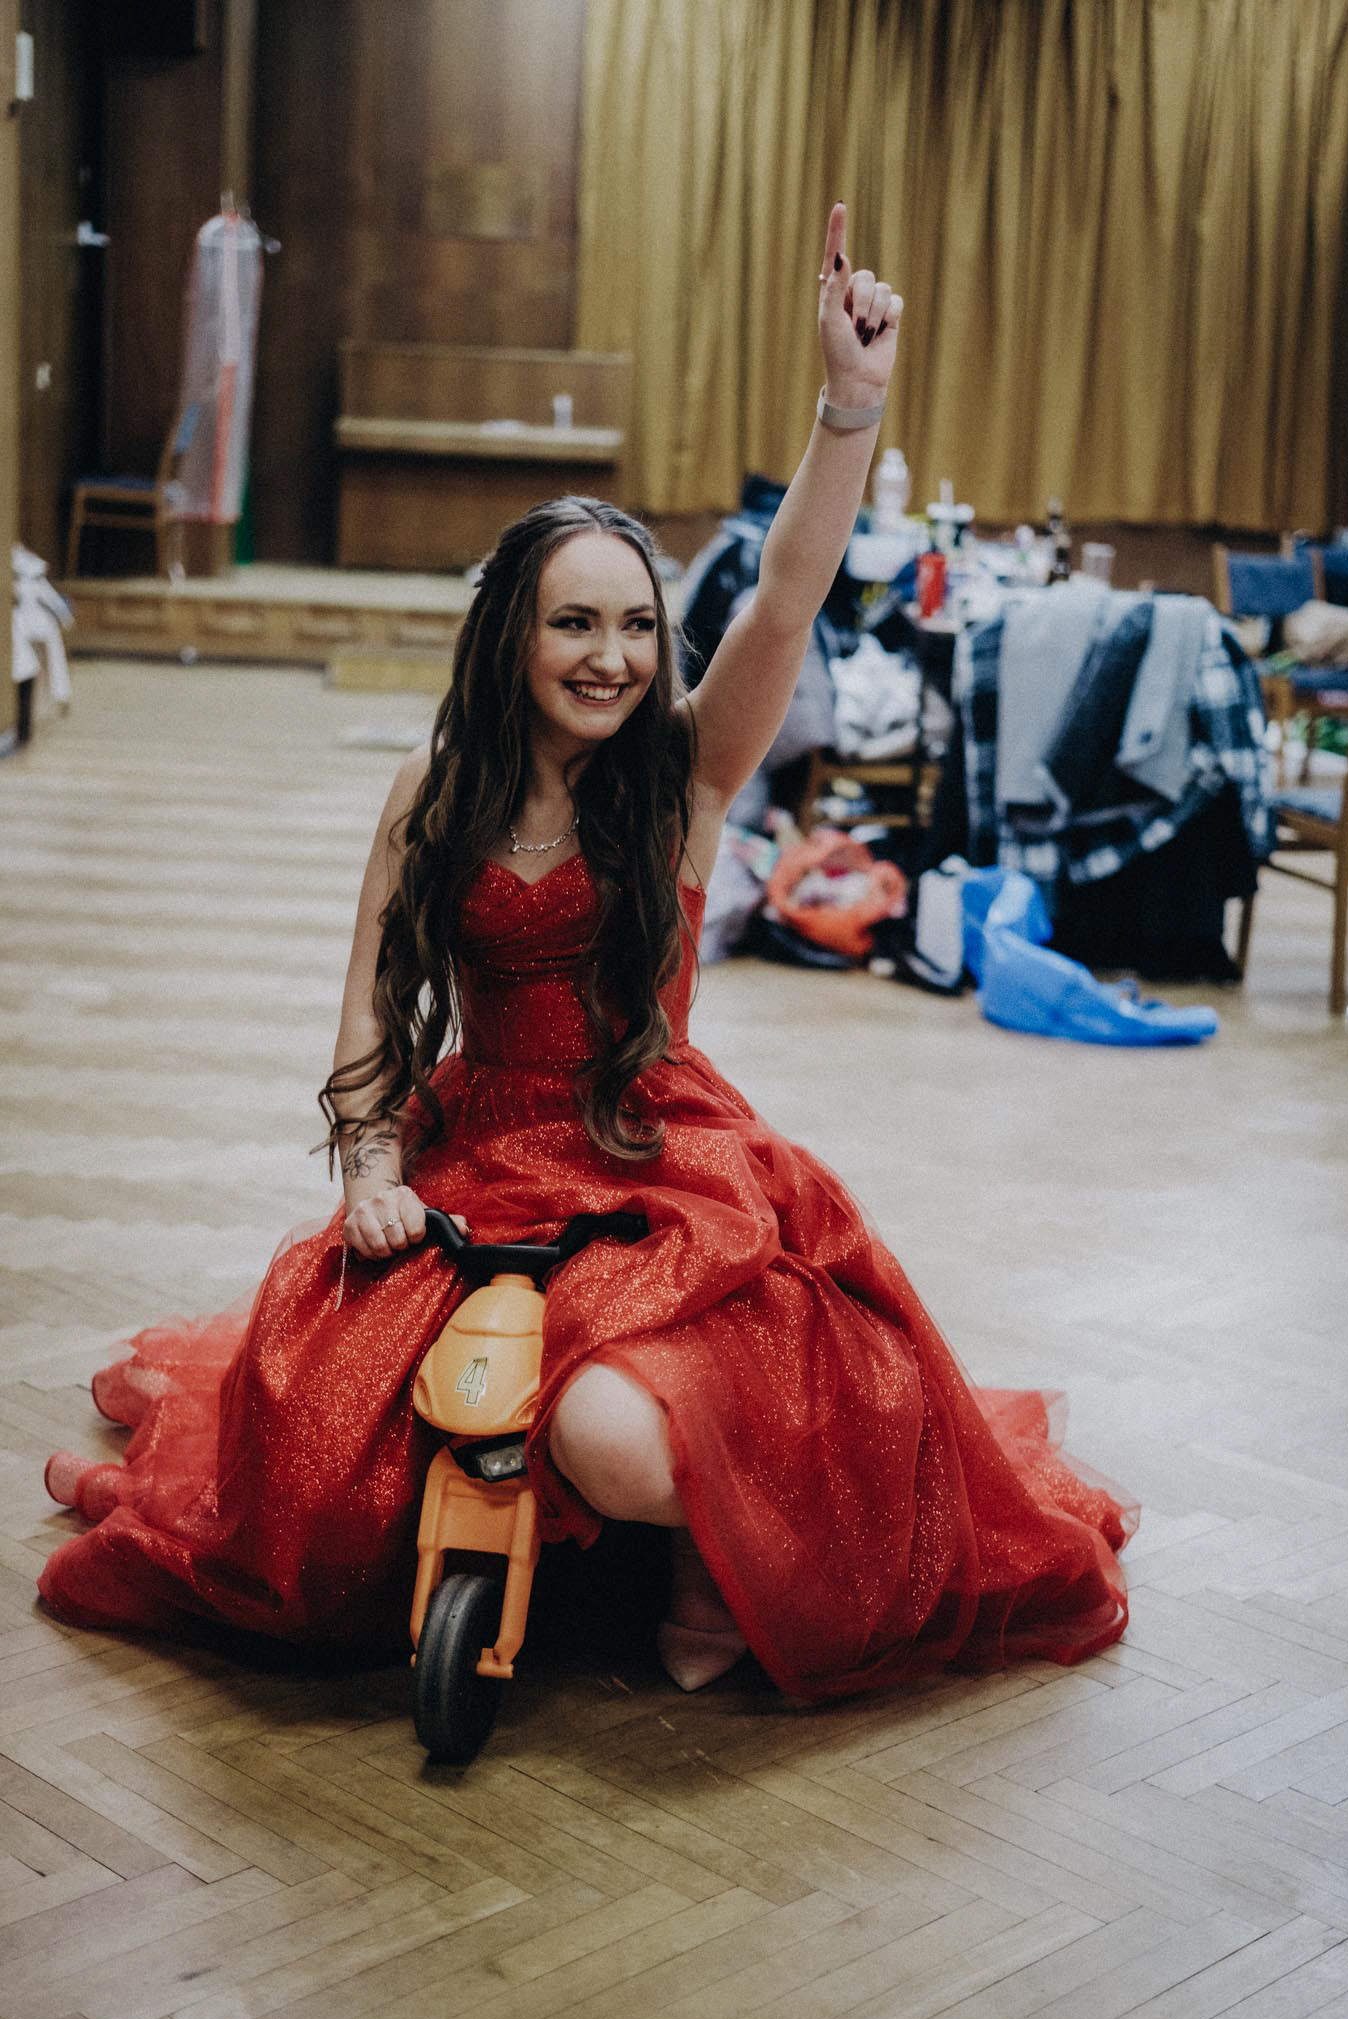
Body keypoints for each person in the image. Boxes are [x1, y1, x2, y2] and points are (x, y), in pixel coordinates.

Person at [39, 206, 1136, 1697]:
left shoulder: (681, 776)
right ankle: (603, 1539)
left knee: (613, 1437)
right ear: (513, 635)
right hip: (477, 1151)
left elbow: (787, 597)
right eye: (573, 624)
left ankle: (696, 1550)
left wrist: (851, 405)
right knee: (330, 1448)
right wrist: (370, 1172)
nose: (610, 657)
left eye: (633, 626)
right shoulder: (433, 788)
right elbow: (373, 1006)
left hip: (655, 1160)